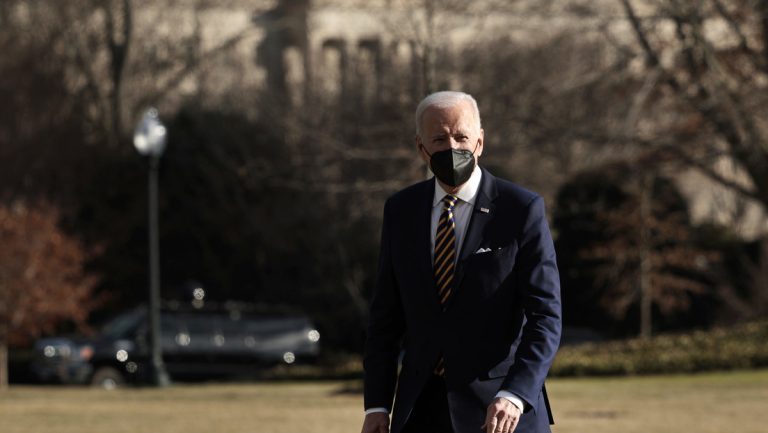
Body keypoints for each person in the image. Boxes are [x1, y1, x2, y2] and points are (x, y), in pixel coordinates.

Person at [361, 91, 561, 433]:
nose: (452, 147)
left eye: (461, 136)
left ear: (480, 142)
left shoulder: (520, 209)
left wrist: (515, 393)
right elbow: (385, 318)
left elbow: (545, 315)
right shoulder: (401, 211)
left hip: (500, 412)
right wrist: (377, 404)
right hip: (420, 411)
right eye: (439, 139)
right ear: (421, 148)